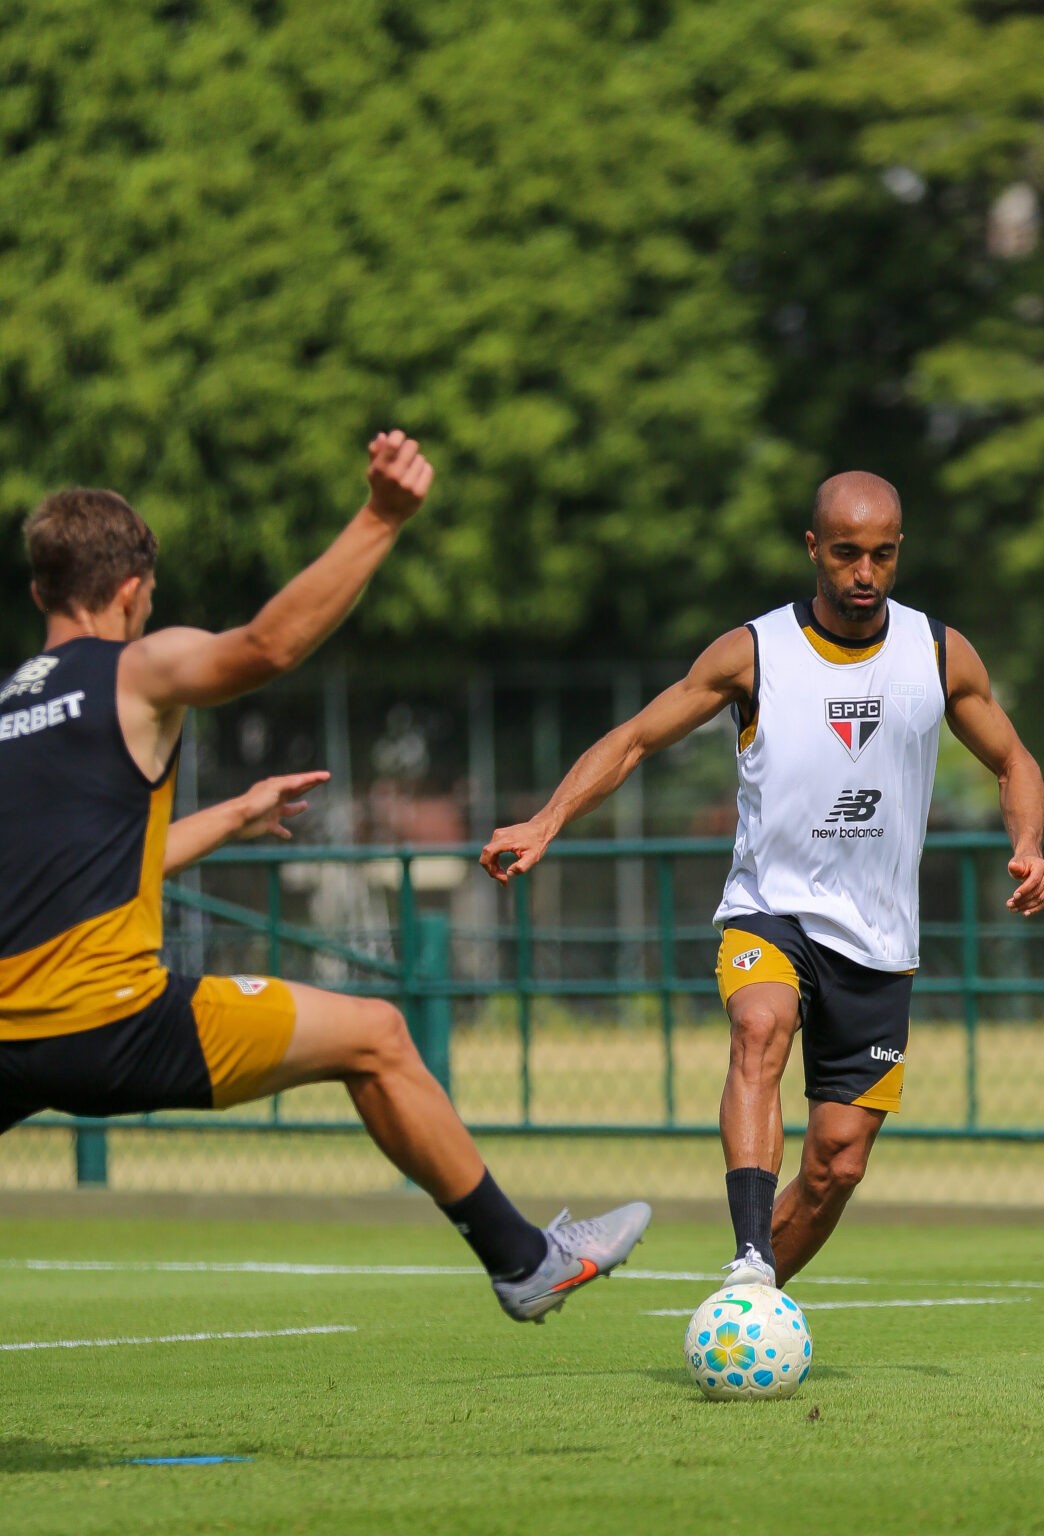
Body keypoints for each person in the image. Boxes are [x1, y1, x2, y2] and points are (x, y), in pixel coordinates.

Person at [0, 431, 650, 1322]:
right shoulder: (134, 669)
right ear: (130, 591)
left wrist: (231, 816)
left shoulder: (10, 713)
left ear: (40, 591)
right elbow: (266, 647)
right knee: (377, 1036)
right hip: (112, 1025)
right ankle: (523, 1258)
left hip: (10, 1040)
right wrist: (381, 518)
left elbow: (77, 872)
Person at [481, 470, 1044, 1288]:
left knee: (836, 1169)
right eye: (847, 554)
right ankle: (749, 1247)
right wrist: (545, 821)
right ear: (812, 548)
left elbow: (1012, 760)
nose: (864, 574)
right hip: (770, 911)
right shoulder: (753, 652)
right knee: (759, 1027)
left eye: (882, 556)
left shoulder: (936, 652)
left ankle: (746, 1298)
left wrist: (1027, 844)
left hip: (879, 939)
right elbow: (637, 739)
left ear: (899, 553)